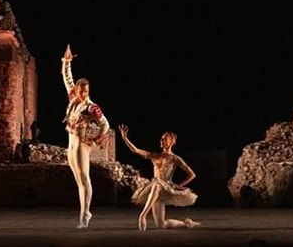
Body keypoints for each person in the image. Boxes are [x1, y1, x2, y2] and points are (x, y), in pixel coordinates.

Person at [61, 44, 109, 228]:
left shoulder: (91, 107)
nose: (82, 94)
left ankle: (85, 214)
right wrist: (67, 61)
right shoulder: (73, 100)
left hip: (82, 143)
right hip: (71, 141)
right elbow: (67, 78)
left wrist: (98, 138)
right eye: (81, 91)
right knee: (77, 179)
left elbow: (105, 123)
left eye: (85, 92)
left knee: (84, 178)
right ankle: (84, 213)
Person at [118, 124, 201, 231]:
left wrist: (178, 186)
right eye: (161, 138)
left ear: (171, 142)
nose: (161, 140)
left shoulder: (175, 158)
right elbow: (136, 150)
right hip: (155, 191)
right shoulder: (155, 156)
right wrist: (125, 139)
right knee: (161, 225)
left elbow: (192, 174)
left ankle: (142, 216)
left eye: (164, 138)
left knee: (157, 185)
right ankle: (187, 223)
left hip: (165, 188)